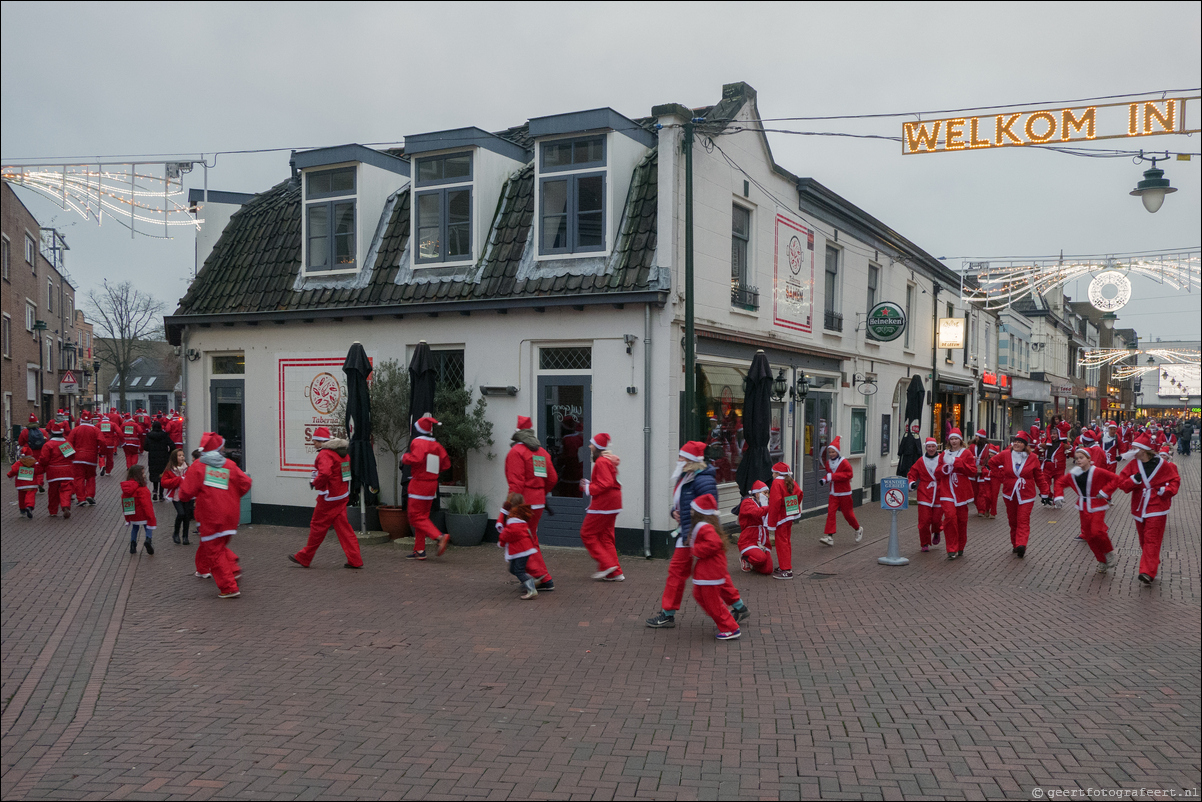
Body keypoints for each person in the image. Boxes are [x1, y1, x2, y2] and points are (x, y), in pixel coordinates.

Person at [646, 441, 714, 628]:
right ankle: (668, 613)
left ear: (691, 459)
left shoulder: (701, 480)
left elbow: (709, 508)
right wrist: (673, 513)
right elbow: (681, 504)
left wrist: (697, 532)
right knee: (679, 572)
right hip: (687, 532)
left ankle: (668, 614)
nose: (678, 459)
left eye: (681, 456)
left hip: (697, 535)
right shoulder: (686, 476)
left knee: (713, 573)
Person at [179, 432, 253, 598]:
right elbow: (246, 483)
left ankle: (229, 587)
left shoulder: (198, 466)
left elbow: (185, 493)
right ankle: (233, 569)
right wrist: (232, 497)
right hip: (231, 516)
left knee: (213, 551)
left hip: (210, 516)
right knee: (218, 546)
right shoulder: (230, 465)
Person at [288, 427, 363, 570]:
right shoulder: (342, 453)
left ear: (322, 442)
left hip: (329, 497)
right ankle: (355, 559)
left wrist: (314, 483)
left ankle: (305, 557)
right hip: (341, 495)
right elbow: (346, 473)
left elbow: (324, 474)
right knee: (344, 529)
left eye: (315, 442)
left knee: (317, 526)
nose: (314, 445)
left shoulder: (325, 454)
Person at [502, 416, 558, 589]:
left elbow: (516, 484)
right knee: (531, 537)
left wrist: (508, 508)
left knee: (522, 539)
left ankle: (541, 576)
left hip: (522, 504)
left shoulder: (516, 453)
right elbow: (553, 478)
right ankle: (542, 576)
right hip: (538, 503)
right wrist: (541, 492)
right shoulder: (541, 453)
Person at [1116, 433, 1180, 585]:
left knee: (1152, 539)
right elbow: (1122, 483)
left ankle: (1147, 572)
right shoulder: (1133, 465)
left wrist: (1166, 491)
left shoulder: (1163, 464)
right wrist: (1133, 480)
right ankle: (1152, 562)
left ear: (1143, 450)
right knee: (1144, 540)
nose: (1131, 451)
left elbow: (1174, 481)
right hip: (1139, 507)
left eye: (1134, 448)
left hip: (1157, 506)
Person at [687, 493, 747, 641]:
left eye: (693, 510)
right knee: (700, 595)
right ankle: (722, 619)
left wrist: (695, 548)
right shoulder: (707, 525)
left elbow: (714, 544)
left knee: (711, 601)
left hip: (709, 572)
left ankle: (730, 627)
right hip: (707, 571)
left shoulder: (704, 527)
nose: (690, 512)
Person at [1052, 447, 1119, 574]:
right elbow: (1060, 482)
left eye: (1081, 457)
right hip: (1083, 506)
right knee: (1089, 536)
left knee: (1097, 531)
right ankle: (1101, 561)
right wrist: (1059, 496)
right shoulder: (1075, 473)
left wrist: (1105, 491)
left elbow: (1115, 479)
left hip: (1097, 504)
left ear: (1089, 459)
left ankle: (1108, 552)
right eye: (1076, 458)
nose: (1078, 460)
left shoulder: (1098, 471)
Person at [987, 431, 1050, 558]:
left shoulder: (1032, 458)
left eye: (1020, 442)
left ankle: (1021, 544)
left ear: (1025, 445)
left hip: (1026, 493)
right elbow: (992, 462)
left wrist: (1045, 492)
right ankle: (1015, 544)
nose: (1016, 444)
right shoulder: (1005, 454)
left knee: (1023, 519)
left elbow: (1039, 477)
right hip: (1010, 493)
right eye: (1015, 441)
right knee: (1013, 520)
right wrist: (1001, 475)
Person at [401, 416, 451, 561]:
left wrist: (404, 458)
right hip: (431, 484)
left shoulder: (418, 442)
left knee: (415, 517)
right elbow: (446, 465)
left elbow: (416, 458)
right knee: (422, 516)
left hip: (419, 484)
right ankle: (420, 550)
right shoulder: (437, 446)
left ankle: (439, 537)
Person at [579, 432, 623, 581]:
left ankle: (608, 564)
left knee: (587, 533)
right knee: (606, 537)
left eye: (592, 444)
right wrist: (590, 485)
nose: (589, 446)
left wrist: (588, 489)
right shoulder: (608, 461)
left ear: (597, 447)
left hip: (604, 504)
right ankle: (615, 572)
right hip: (614, 503)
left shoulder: (601, 462)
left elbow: (605, 483)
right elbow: (609, 481)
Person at [936, 428, 974, 560]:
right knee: (950, 517)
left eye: (956, 439)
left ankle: (960, 546)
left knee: (962, 520)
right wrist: (944, 469)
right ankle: (951, 548)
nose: (954, 441)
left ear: (960, 440)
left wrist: (959, 463)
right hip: (946, 489)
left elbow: (972, 471)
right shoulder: (943, 454)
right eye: (951, 439)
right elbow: (937, 472)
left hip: (961, 491)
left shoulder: (967, 453)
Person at [818, 437, 863, 546]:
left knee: (847, 514)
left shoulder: (844, 462)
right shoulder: (828, 463)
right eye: (830, 452)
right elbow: (829, 476)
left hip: (844, 493)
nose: (831, 454)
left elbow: (849, 475)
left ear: (837, 451)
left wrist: (832, 476)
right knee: (831, 513)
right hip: (833, 493)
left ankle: (858, 528)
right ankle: (829, 537)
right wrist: (824, 480)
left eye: (833, 452)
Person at [498, 493, 540, 599]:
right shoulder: (520, 517)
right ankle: (530, 581)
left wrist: (501, 542)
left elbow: (507, 534)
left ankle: (531, 589)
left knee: (518, 570)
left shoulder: (513, 521)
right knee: (513, 569)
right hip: (523, 548)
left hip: (521, 549)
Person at [906, 437, 943, 552]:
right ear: (925, 447)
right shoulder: (921, 461)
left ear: (936, 447)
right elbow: (912, 474)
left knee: (936, 519)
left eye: (933, 447)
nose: (931, 449)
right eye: (929, 447)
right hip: (924, 492)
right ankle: (925, 543)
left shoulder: (942, 459)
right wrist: (911, 483)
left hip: (939, 491)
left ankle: (936, 531)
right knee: (924, 520)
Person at [766, 461, 803, 576]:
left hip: (781, 516)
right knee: (786, 541)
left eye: (773, 473)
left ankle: (786, 569)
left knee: (781, 542)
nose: (772, 475)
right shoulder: (791, 481)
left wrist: (771, 522)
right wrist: (792, 508)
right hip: (790, 515)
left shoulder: (776, 484)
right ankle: (785, 565)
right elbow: (800, 494)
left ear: (777, 473)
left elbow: (774, 503)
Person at [38, 421, 77, 519]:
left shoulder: (48, 445)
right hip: (66, 471)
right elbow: (72, 456)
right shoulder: (66, 443)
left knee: (53, 492)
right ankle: (65, 505)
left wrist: (42, 467)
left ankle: (53, 511)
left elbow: (44, 459)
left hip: (53, 472)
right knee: (66, 490)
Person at [66, 410, 101, 506]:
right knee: (91, 477)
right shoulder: (95, 430)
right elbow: (102, 442)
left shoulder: (75, 430)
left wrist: (69, 456)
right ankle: (90, 495)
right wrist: (101, 453)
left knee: (79, 478)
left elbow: (68, 443)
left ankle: (81, 498)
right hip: (91, 457)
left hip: (77, 457)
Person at [737, 480, 773, 574]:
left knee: (768, 570)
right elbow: (756, 513)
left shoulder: (765, 504)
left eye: (768, 493)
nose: (767, 496)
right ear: (757, 493)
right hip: (749, 540)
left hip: (763, 541)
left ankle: (756, 560)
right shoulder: (747, 502)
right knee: (760, 558)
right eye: (765, 493)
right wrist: (771, 507)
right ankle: (746, 558)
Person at [159, 448, 194, 545]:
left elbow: (193, 479)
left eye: (183, 455)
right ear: (175, 457)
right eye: (179, 455)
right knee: (181, 513)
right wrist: (178, 480)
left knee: (187, 516)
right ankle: (176, 533)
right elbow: (164, 483)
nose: (182, 457)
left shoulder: (188, 468)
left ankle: (185, 536)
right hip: (176, 496)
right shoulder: (169, 469)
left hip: (187, 495)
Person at [121, 464, 157, 555]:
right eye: (143, 473)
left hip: (133, 513)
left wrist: (127, 516)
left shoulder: (127, 488)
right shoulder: (142, 489)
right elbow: (146, 504)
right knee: (148, 526)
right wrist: (150, 515)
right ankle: (148, 540)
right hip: (143, 513)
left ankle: (133, 544)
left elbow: (125, 502)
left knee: (135, 528)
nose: (144, 475)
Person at [968, 429, 999, 519]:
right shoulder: (972, 446)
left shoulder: (989, 447)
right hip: (973, 471)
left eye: (977, 436)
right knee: (974, 491)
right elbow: (968, 456)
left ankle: (982, 509)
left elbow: (993, 456)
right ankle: (979, 507)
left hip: (984, 471)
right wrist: (973, 458)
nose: (976, 438)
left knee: (982, 491)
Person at [8, 446, 42, 519]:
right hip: (31, 484)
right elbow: (39, 471)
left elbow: (14, 470)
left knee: (21, 496)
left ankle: (22, 509)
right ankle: (29, 506)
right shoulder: (34, 463)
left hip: (21, 484)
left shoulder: (19, 463)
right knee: (30, 495)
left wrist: (9, 475)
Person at [144, 421, 174, 501]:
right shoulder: (165, 435)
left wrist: (151, 449)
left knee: (154, 474)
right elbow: (172, 445)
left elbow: (145, 447)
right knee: (162, 475)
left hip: (153, 457)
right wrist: (169, 453)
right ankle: (161, 494)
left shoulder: (149, 436)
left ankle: (154, 491)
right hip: (163, 458)